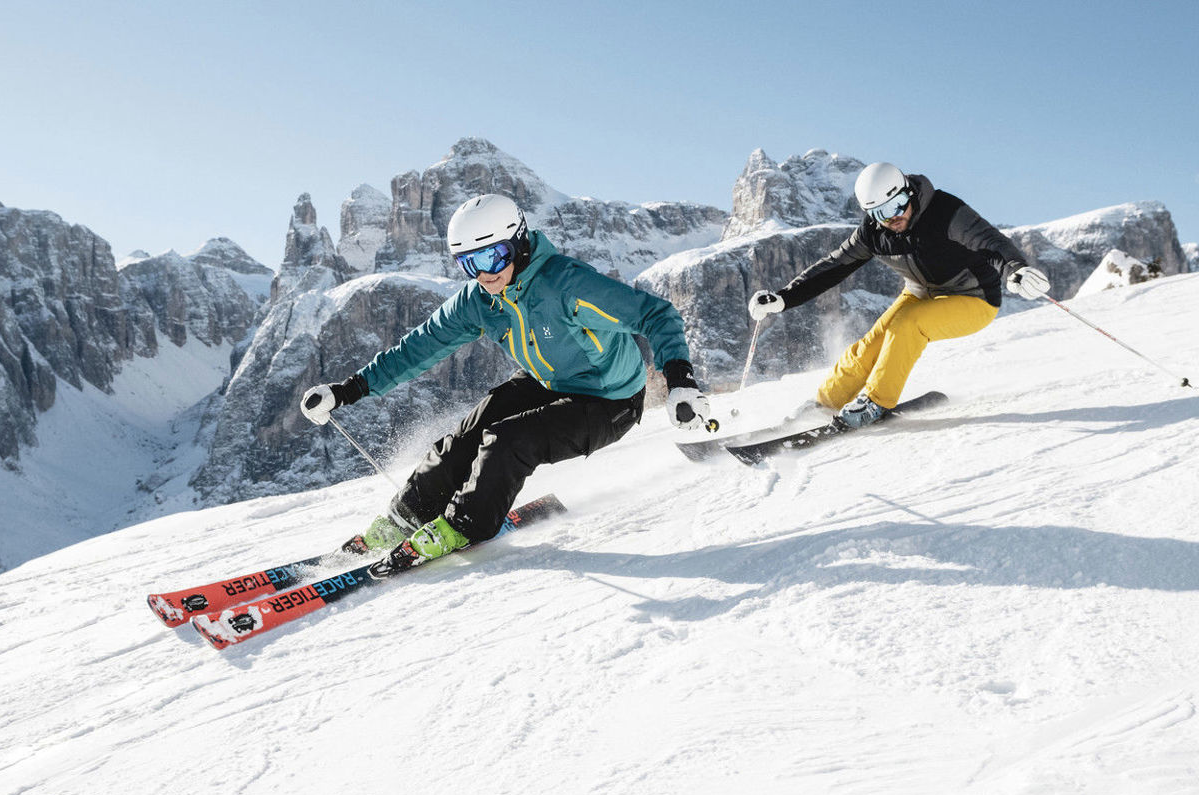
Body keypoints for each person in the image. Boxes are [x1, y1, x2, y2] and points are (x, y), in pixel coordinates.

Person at [300, 193, 711, 575]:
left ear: (519, 244)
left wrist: (680, 381)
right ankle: (403, 519)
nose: (484, 274)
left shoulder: (566, 285)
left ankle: (464, 526)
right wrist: (346, 390)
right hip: (547, 380)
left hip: (609, 398)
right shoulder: (479, 300)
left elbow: (656, 315)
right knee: (464, 439)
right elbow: (418, 347)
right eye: (469, 263)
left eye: (493, 257)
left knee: (510, 440)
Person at [746, 162, 1051, 428]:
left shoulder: (945, 212)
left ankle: (876, 403)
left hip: (974, 298)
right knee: (869, 346)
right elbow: (834, 266)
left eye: (897, 205)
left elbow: (989, 240)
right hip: (920, 294)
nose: (892, 218)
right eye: (880, 212)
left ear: (909, 193)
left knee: (907, 325)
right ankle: (825, 406)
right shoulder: (873, 233)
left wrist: (1015, 269)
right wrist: (784, 298)